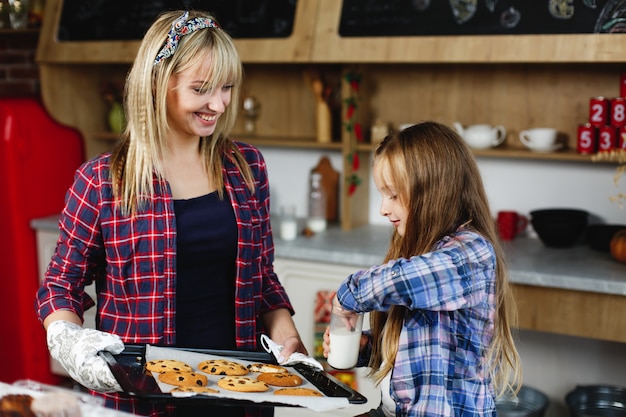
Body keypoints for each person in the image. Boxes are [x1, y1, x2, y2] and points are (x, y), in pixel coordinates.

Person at [35, 10, 306, 417]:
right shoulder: (103, 181)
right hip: (142, 399)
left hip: (241, 394)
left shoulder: (246, 167)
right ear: (159, 85)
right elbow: (61, 283)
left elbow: (262, 276)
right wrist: (68, 340)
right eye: (201, 89)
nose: (218, 104)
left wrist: (288, 337)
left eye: (227, 87)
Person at [323, 121, 522, 416]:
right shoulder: (421, 252)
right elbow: (418, 352)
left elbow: (398, 281)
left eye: (393, 194)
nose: (383, 209)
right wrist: (366, 348)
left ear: (433, 192)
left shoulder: (471, 255)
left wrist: (347, 296)